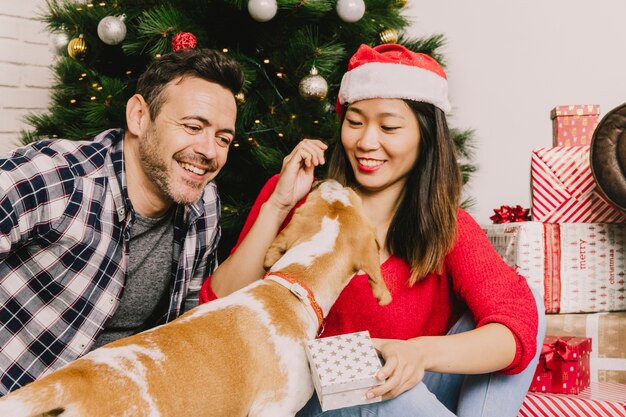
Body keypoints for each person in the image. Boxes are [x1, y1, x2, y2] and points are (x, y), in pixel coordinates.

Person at [200, 43, 545, 417]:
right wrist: (278, 206)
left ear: (425, 137)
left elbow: (519, 324)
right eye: (355, 121)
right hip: (311, 396)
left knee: (529, 304)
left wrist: (417, 352)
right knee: (379, 383)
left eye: (389, 126)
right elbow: (219, 311)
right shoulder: (296, 198)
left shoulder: (448, 226)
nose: (366, 142)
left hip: (413, 394)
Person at [0, 48, 244, 395]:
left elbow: (190, 324)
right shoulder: (61, 178)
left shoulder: (204, 202)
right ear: (140, 116)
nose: (209, 151)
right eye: (193, 126)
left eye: (223, 139)